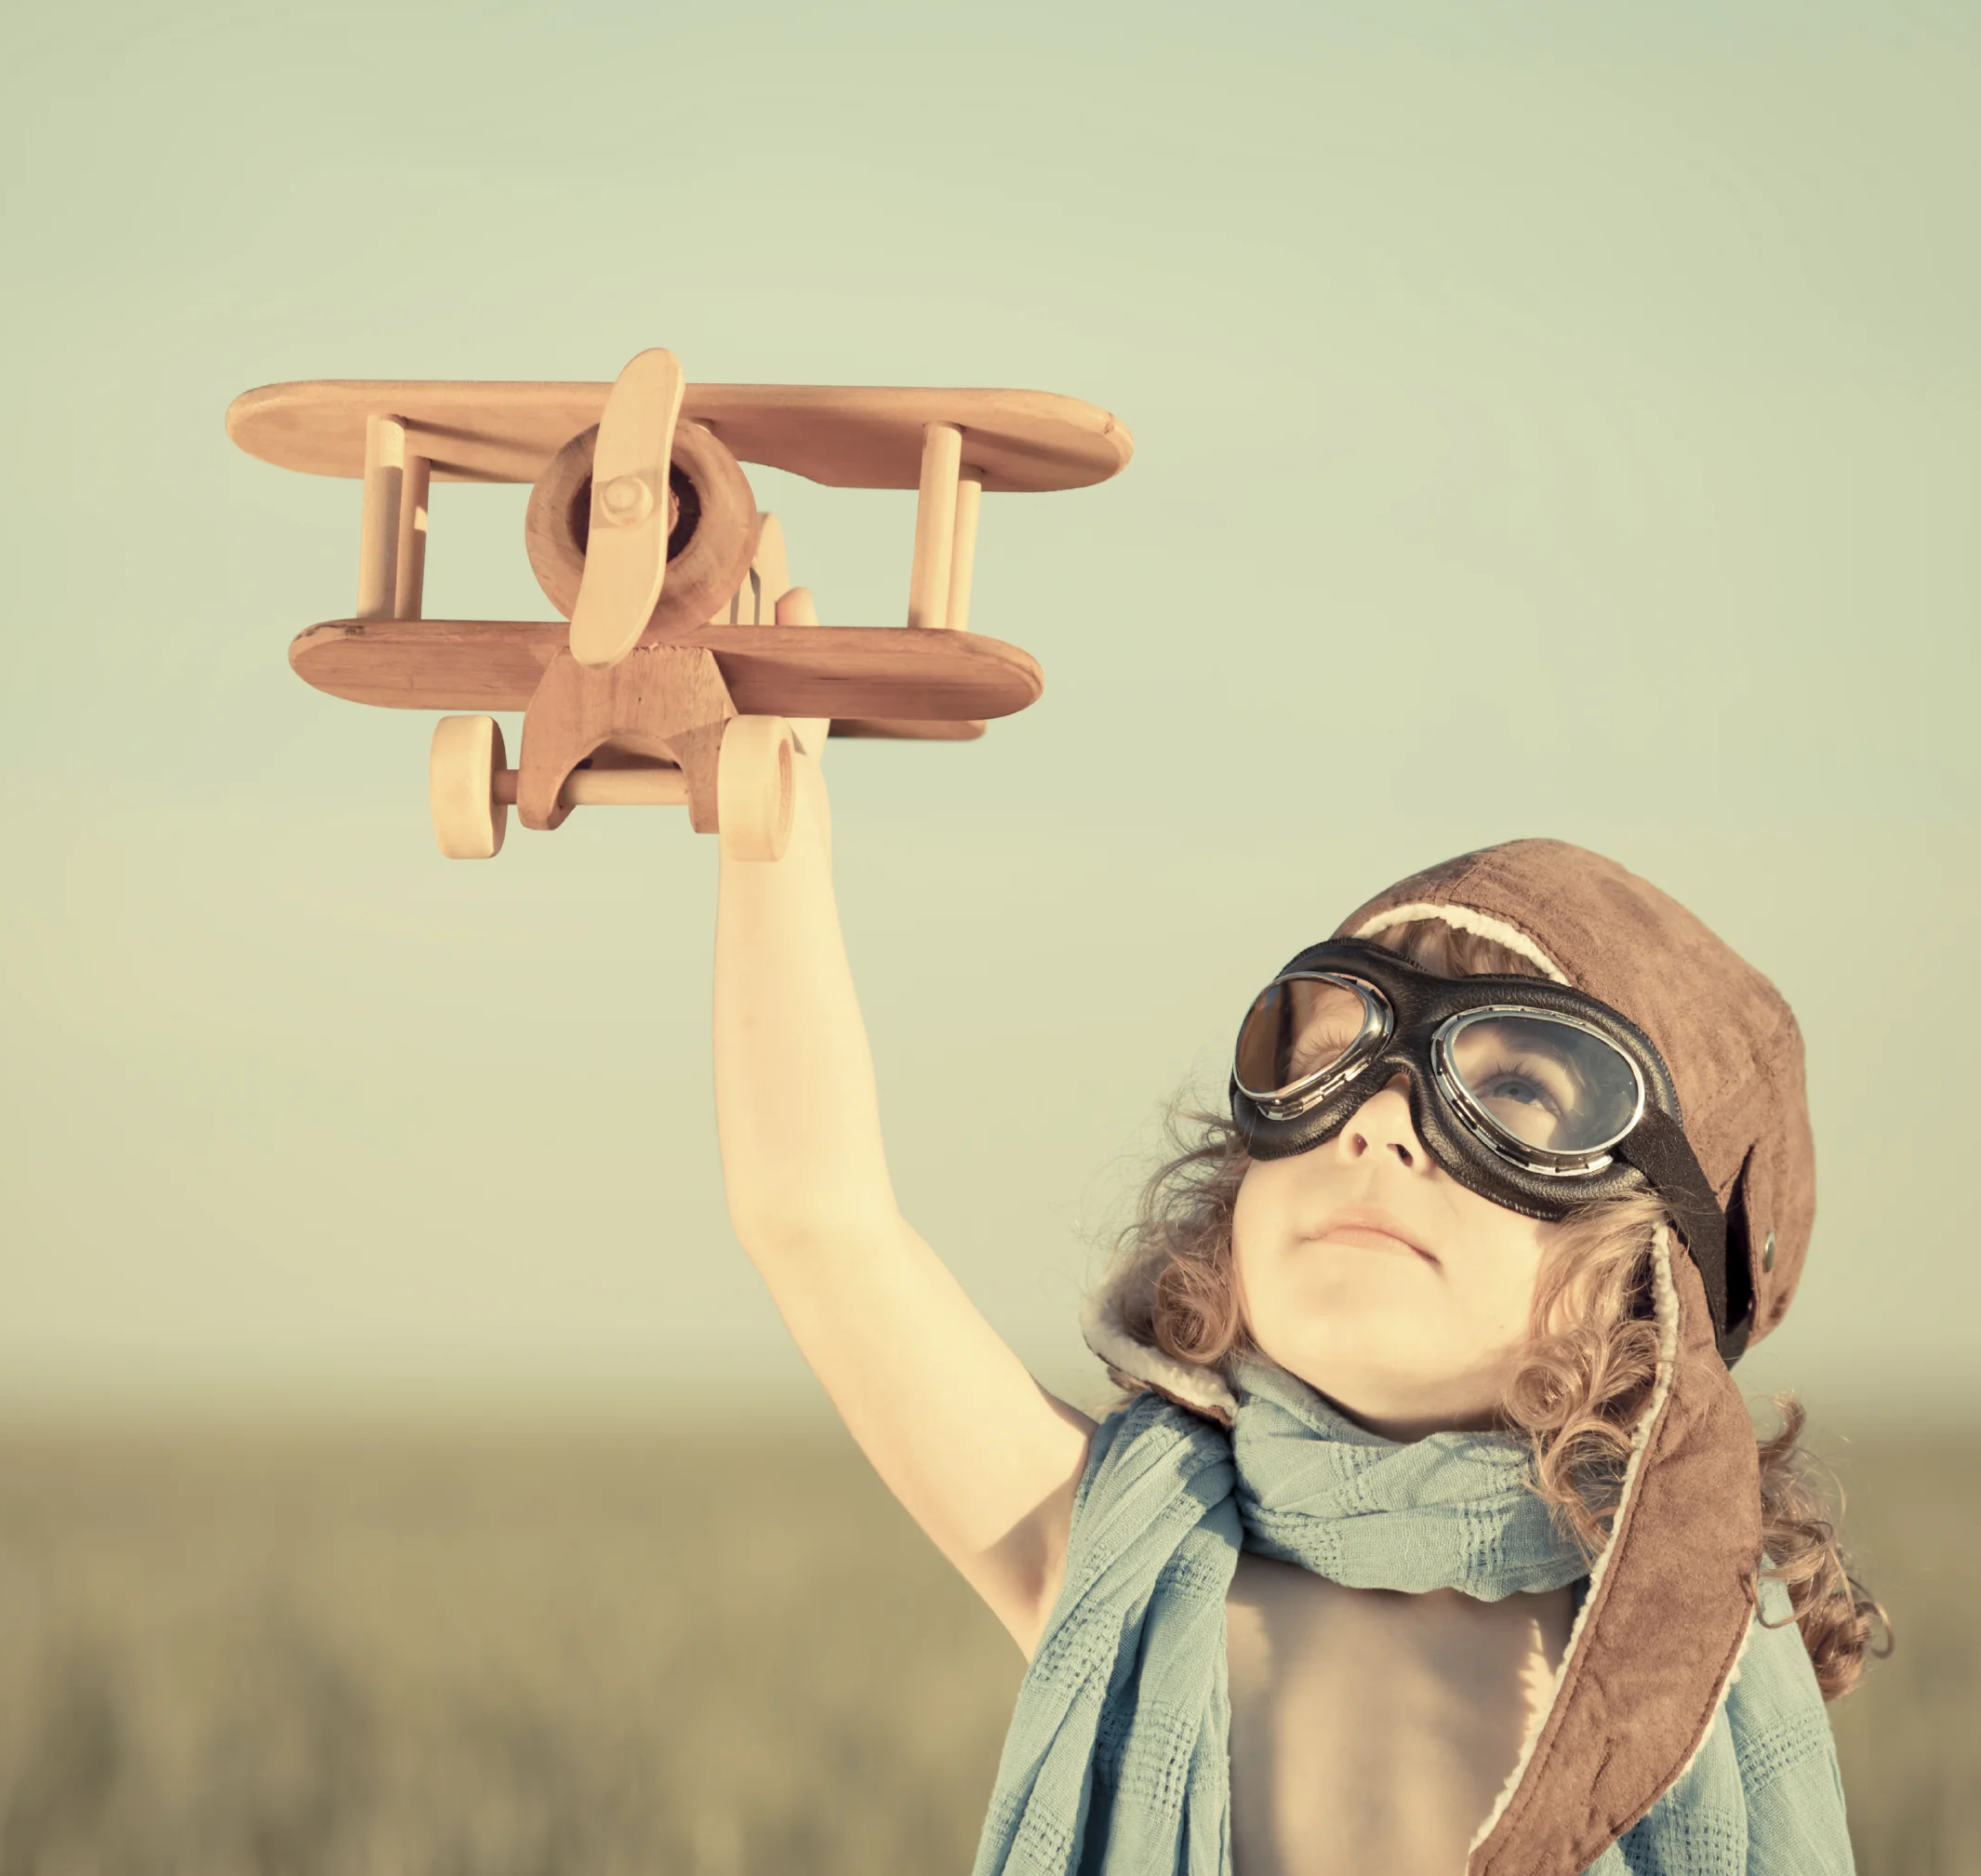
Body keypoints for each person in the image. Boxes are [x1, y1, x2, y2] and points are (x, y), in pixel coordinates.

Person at [713, 749, 1882, 1876]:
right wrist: (770, 807)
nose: (1374, 1123)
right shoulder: (1128, 1551)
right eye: (1324, 1060)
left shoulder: (1690, 1665)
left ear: (1657, 1286)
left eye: (1517, 1090)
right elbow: (818, 1218)